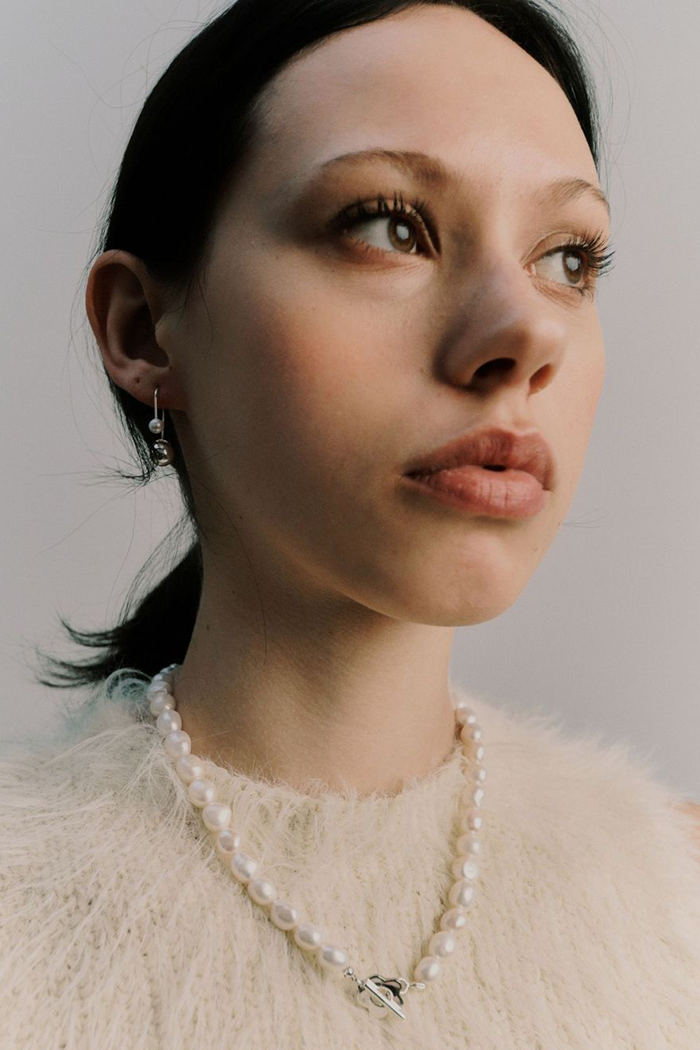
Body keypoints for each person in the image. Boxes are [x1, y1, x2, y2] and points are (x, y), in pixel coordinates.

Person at [1, 1, 699, 1047]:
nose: (525, 333)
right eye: (386, 226)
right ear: (144, 331)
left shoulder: (676, 903)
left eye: (568, 258)